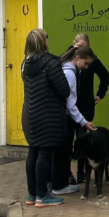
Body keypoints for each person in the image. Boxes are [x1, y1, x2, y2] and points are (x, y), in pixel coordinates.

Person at [20, 28, 71, 207]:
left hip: (29, 114)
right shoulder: (51, 63)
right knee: (44, 153)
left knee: (33, 151)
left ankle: (32, 194)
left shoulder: (24, 64)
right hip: (47, 115)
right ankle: (43, 195)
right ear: (44, 42)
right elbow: (64, 90)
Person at [57, 44, 97, 196]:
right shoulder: (71, 75)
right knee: (64, 151)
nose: (86, 67)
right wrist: (84, 121)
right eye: (86, 63)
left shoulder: (63, 68)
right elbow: (71, 104)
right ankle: (61, 183)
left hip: (59, 115)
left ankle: (55, 182)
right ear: (77, 58)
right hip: (65, 118)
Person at [71, 32, 109, 182]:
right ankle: (67, 173)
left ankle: (82, 172)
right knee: (69, 138)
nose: (82, 51)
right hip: (71, 106)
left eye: (85, 48)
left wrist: (100, 94)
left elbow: (105, 76)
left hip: (86, 105)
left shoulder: (92, 61)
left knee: (83, 138)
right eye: (79, 47)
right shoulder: (69, 59)